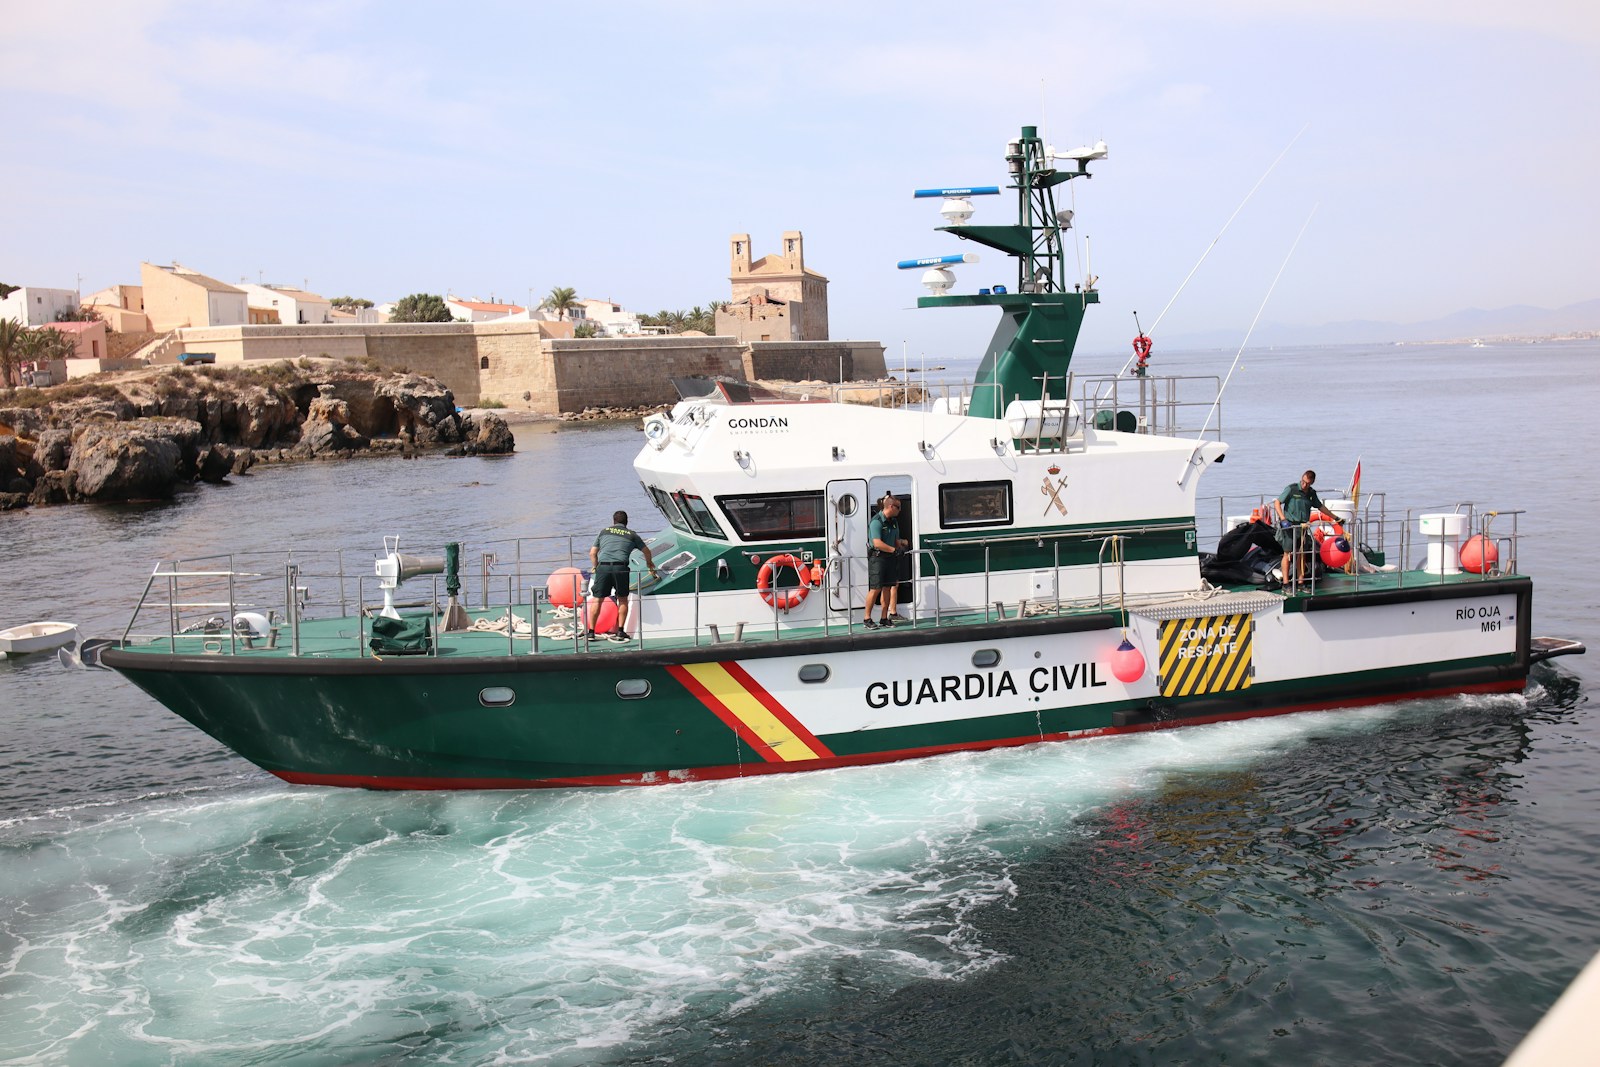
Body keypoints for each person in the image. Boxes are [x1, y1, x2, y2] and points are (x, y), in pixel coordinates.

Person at [587, 510, 657, 638]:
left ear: (613, 521)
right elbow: (647, 551)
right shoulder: (632, 535)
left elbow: (592, 553)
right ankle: (620, 631)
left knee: (598, 600)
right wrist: (649, 564)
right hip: (621, 568)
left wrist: (595, 567)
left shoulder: (604, 532)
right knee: (622, 599)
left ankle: (591, 632)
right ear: (626, 522)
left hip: (603, 568)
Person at [862, 494, 909, 629]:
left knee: (888, 587)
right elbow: (877, 543)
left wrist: (902, 545)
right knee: (875, 588)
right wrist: (894, 550)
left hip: (890, 559)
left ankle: (884, 618)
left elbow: (895, 540)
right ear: (890, 506)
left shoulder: (894, 522)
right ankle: (867, 618)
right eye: (898, 507)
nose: (900, 510)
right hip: (878, 559)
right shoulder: (876, 521)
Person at [1272, 469, 1324, 584]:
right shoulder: (1291, 489)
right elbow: (1277, 502)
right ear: (1302, 478)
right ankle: (1286, 583)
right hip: (1289, 526)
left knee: (1302, 554)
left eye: (1308, 483)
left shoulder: (1311, 493)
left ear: (1312, 482)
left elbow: (1320, 506)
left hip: (1303, 527)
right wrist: (1283, 519)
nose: (1304, 485)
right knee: (1287, 553)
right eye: (1303, 481)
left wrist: (1335, 518)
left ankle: (1301, 581)